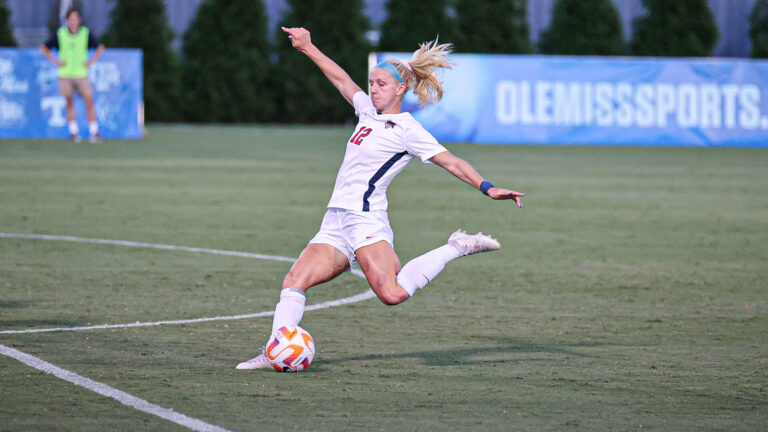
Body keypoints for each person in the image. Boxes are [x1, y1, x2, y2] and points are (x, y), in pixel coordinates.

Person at [236, 27, 525, 370]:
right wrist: (309, 47)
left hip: (366, 221)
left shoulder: (407, 129)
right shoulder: (367, 112)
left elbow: (451, 162)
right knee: (294, 281)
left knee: (392, 294)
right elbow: (342, 80)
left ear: (401, 88)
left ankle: (458, 246)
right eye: (371, 83)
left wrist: (487, 187)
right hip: (335, 220)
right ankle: (274, 351)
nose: (373, 89)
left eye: (381, 84)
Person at [39, 8, 104, 143]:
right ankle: (74, 132)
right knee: (69, 103)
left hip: (81, 73)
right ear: (67, 21)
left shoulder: (85, 33)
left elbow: (100, 48)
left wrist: (90, 62)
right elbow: (44, 48)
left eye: (75, 18)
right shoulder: (61, 34)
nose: (73, 21)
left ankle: (94, 132)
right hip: (65, 74)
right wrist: (56, 61)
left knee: (89, 102)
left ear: (79, 20)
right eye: (71, 19)